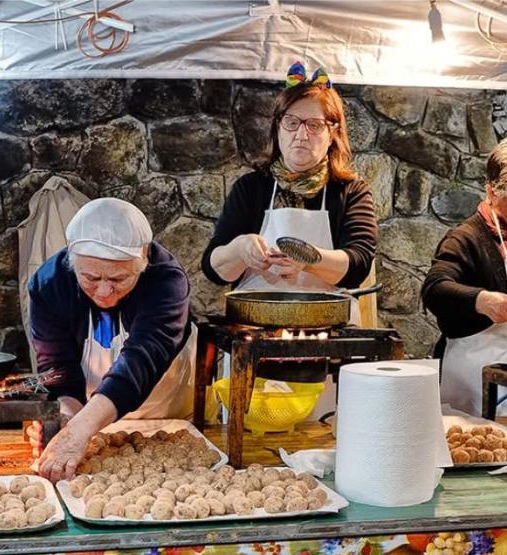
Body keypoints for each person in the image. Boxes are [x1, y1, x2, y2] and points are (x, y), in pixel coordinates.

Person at [27, 198, 196, 482]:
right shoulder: (50, 284)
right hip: (85, 418)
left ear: (143, 259)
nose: (104, 292)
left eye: (118, 279)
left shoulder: (166, 281)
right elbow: (56, 366)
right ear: (72, 261)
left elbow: (142, 358)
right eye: (90, 277)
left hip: (163, 415)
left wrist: (81, 430)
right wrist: (67, 416)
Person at [201, 61, 377, 318]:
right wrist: (240, 249)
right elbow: (213, 268)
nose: (301, 135)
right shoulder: (251, 188)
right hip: (256, 326)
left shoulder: (351, 192)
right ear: (278, 127)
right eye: (291, 122)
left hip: (328, 327)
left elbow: (358, 264)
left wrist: (312, 260)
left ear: (333, 134)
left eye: (314, 125)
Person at [421, 133, 507, 416]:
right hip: (472, 396)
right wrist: (484, 301)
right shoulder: (465, 239)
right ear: (492, 191)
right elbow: (434, 288)